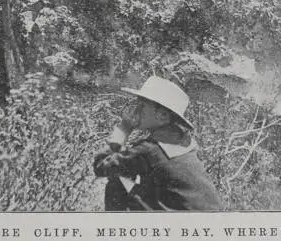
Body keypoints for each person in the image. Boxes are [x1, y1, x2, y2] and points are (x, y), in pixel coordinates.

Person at [94, 76, 222, 211]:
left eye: (142, 106)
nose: (136, 110)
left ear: (162, 117)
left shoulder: (151, 150)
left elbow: (101, 166)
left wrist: (124, 128)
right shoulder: (180, 139)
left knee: (117, 181)